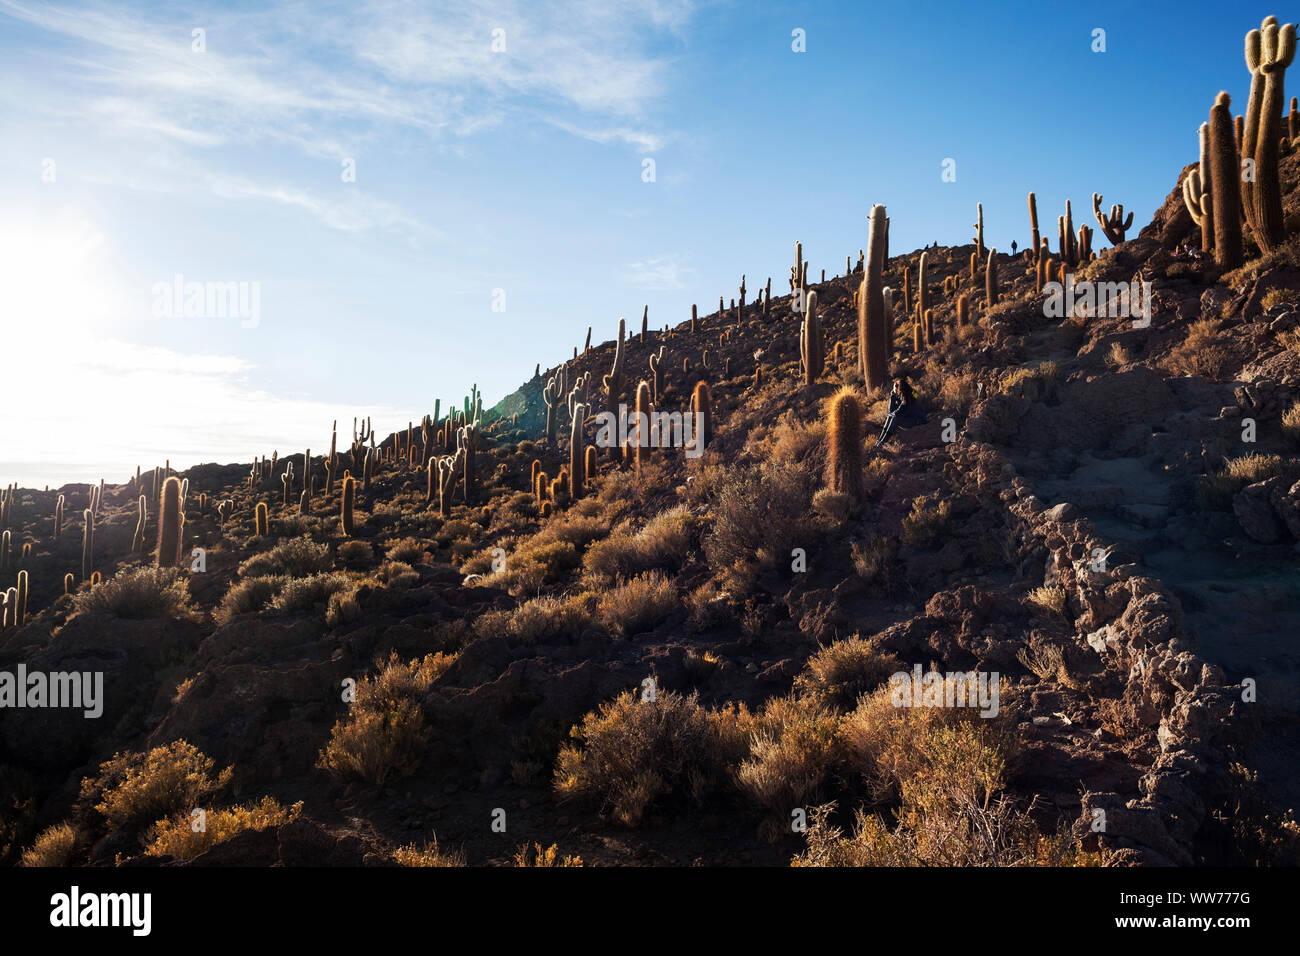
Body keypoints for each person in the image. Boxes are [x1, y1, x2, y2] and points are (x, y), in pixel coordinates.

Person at [873, 374, 926, 448]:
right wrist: (894, 397)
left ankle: (882, 443)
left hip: (918, 420)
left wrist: (892, 396)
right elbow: (892, 411)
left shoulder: (907, 397)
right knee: (890, 417)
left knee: (894, 418)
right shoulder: (907, 394)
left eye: (895, 388)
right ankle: (879, 441)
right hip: (912, 418)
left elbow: (897, 410)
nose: (894, 390)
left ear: (899, 388)